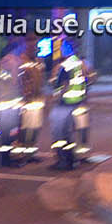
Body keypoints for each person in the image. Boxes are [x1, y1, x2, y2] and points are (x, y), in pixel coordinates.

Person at [46, 39, 93, 171]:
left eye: (63, 47)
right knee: (67, 133)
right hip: (76, 102)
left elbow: (59, 85)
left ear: (68, 48)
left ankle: (64, 161)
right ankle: (71, 159)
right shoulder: (81, 63)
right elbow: (88, 81)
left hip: (64, 103)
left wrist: (53, 83)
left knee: (59, 134)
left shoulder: (65, 65)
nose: (61, 49)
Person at [0, 36, 27, 164]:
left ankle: (3, 157)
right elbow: (15, 82)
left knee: (4, 131)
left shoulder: (3, 61)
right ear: (18, 47)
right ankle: (6, 159)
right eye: (23, 46)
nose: (24, 48)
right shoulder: (15, 61)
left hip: (2, 100)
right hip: (12, 102)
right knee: (11, 132)